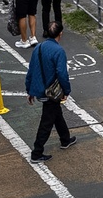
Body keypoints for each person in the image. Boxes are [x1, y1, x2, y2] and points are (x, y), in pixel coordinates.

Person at [25, 22, 76, 163]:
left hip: (40, 90)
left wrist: (29, 89)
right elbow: (62, 74)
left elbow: (31, 70)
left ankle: (65, 139)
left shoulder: (38, 48)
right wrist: (67, 91)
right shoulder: (58, 51)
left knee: (56, 114)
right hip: (51, 93)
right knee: (46, 123)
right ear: (60, 33)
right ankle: (36, 152)